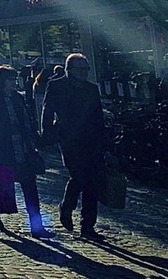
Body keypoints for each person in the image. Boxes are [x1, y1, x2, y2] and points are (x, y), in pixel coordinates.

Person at [0, 65, 54, 238]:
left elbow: (28, 121)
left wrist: (34, 140)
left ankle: (37, 227)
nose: (14, 83)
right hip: (4, 150)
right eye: (10, 80)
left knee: (30, 189)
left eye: (14, 80)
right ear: (1, 81)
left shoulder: (18, 98)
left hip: (24, 150)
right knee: (1, 186)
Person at [41, 53, 106, 240]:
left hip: (91, 140)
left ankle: (88, 226)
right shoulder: (56, 86)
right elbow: (47, 110)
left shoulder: (91, 89)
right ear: (69, 69)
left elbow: (98, 116)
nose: (84, 73)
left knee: (92, 182)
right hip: (69, 140)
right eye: (80, 70)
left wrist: (104, 143)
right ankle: (67, 206)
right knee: (79, 176)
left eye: (86, 69)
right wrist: (47, 135)